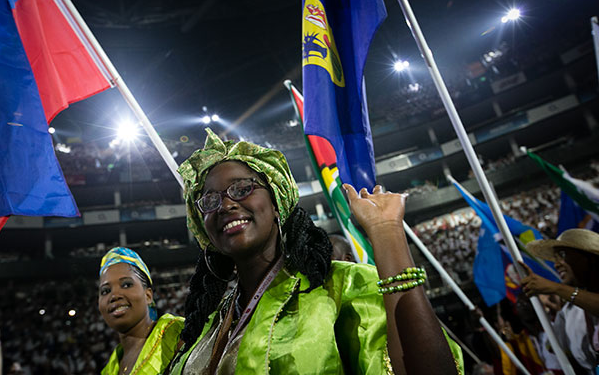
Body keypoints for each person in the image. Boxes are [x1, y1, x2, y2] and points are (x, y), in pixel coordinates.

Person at [169, 128, 463, 374]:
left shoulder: (342, 286)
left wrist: (387, 234)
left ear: (276, 203)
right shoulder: (208, 323)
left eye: (242, 188)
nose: (226, 205)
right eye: (209, 200)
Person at [521, 228, 599, 374]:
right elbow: (564, 357)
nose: (556, 264)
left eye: (562, 255)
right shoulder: (568, 313)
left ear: (588, 257)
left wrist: (556, 288)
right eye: (555, 258)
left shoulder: (567, 296)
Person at [99, 247, 184, 375]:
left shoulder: (176, 334)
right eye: (105, 291)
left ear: (148, 295)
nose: (114, 295)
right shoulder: (109, 370)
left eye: (126, 285)